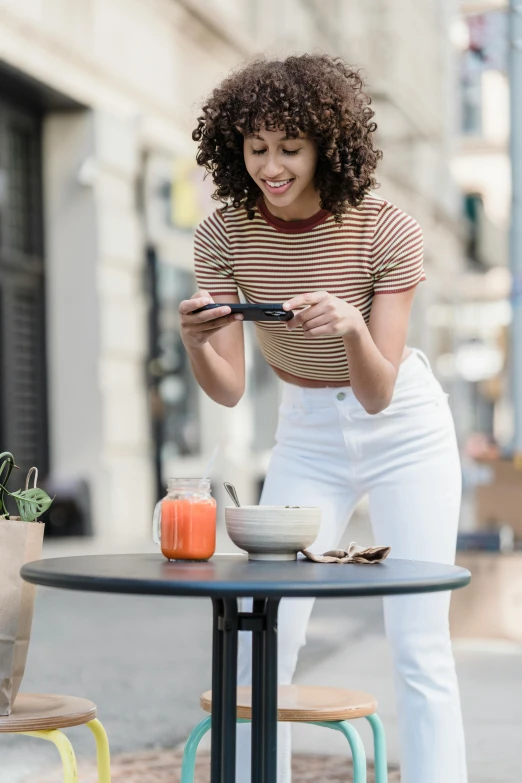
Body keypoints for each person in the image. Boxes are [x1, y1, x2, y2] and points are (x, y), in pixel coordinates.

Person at [179, 54, 467, 783]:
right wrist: (195, 344)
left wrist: (349, 327)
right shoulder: (222, 235)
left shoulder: (387, 230)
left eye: (290, 148)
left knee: (419, 638)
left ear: (327, 148)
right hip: (305, 433)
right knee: (265, 632)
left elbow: (377, 390)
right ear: (233, 146)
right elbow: (230, 389)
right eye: (256, 148)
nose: (271, 167)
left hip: (405, 429)